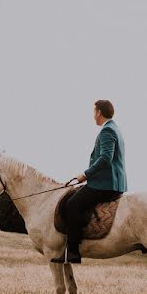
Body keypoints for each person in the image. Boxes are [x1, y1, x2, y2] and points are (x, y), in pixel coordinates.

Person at [51, 100, 127, 264]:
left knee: (72, 204)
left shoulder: (107, 130)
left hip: (106, 184)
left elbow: (105, 158)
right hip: (113, 182)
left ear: (99, 112)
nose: (93, 115)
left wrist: (85, 175)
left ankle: (72, 251)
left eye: (94, 112)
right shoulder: (115, 129)